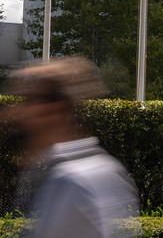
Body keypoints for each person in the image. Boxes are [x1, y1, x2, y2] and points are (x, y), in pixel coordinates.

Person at [8, 57, 139, 238]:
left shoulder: (70, 183)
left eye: (31, 100)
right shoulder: (104, 166)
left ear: (58, 110)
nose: (18, 112)